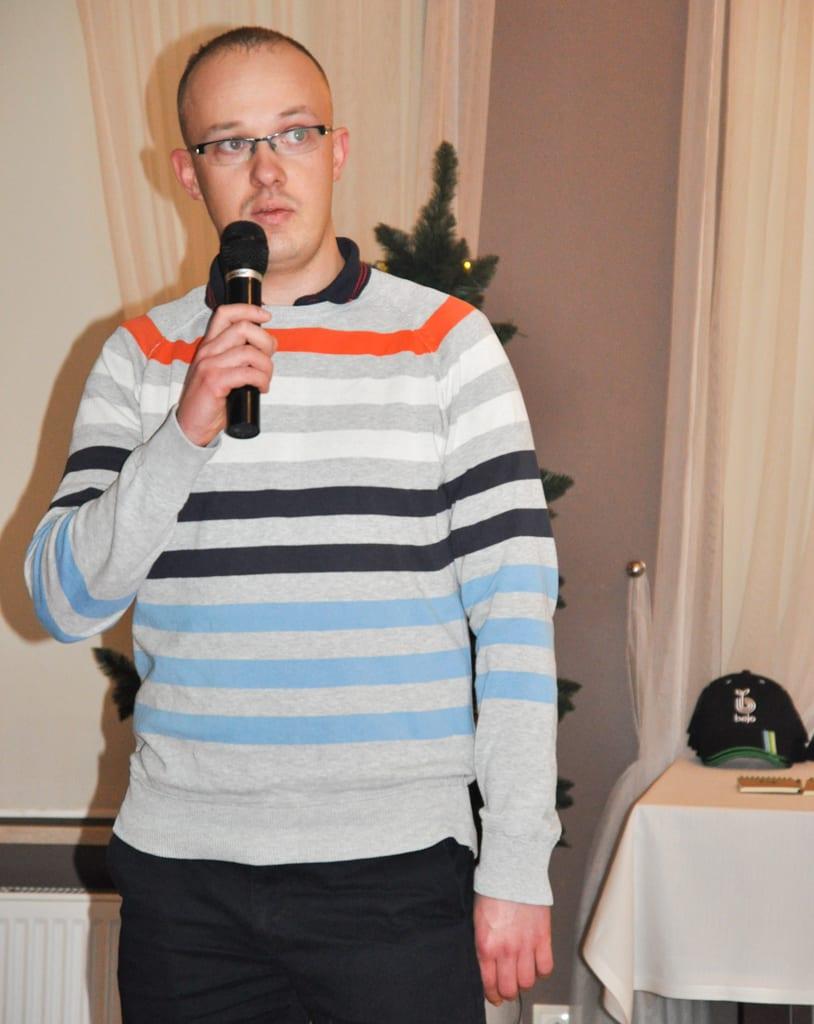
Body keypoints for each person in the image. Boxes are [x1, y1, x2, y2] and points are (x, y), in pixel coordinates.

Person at [25, 26, 560, 1024]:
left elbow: (517, 623)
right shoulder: (141, 357)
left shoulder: (445, 344)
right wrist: (185, 430)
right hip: (187, 889)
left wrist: (519, 860)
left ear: (338, 149)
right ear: (187, 172)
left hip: (397, 877)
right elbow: (60, 599)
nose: (267, 170)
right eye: (231, 143)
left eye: (294, 133)